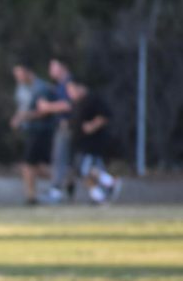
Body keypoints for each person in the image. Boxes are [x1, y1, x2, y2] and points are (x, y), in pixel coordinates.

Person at [66, 81, 122, 204]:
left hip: (90, 144)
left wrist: (92, 125)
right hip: (79, 144)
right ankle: (99, 197)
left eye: (71, 90)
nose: (69, 94)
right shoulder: (77, 103)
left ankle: (111, 182)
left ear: (80, 87)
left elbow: (105, 116)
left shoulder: (92, 99)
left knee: (85, 169)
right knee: (84, 171)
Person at [9, 62, 57, 205]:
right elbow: (22, 108)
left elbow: (44, 111)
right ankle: (64, 181)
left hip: (40, 130)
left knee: (28, 165)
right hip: (29, 130)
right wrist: (18, 118)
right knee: (37, 167)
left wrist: (23, 117)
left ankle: (31, 197)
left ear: (28, 72)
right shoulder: (21, 88)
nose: (17, 76)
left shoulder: (41, 88)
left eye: (19, 73)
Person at [37, 58, 76, 203]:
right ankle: (68, 191)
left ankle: (56, 192)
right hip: (65, 126)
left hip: (67, 126)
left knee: (60, 158)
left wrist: (48, 107)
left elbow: (70, 104)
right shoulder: (60, 85)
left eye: (53, 67)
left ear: (63, 67)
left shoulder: (69, 83)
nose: (50, 71)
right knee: (69, 162)